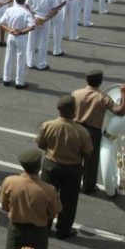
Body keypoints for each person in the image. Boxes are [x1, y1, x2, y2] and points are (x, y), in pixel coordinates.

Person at [36, 95, 93, 240]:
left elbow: (41, 144)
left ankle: (45, 228)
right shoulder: (82, 131)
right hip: (72, 169)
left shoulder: (47, 125)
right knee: (69, 201)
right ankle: (63, 230)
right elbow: (88, 153)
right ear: (74, 111)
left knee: (47, 198)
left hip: (51, 166)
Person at [72, 69, 125, 194]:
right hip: (92, 132)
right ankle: (88, 187)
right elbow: (120, 111)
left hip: (75, 129)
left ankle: (70, 183)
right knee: (91, 163)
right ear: (100, 82)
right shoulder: (103, 97)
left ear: (86, 80)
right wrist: (123, 93)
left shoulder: (76, 93)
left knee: (73, 157)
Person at [0, 148, 61, 249]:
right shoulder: (49, 190)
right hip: (38, 233)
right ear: (39, 167)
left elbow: (4, 207)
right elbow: (53, 214)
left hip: (16, 229)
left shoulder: (9, 182)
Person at [0, 0, 36, 89]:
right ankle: (19, 82)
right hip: (21, 36)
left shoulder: (9, 10)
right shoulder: (26, 12)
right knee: (20, 59)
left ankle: (6, 79)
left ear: (15, 0)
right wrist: (21, 31)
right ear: (24, 1)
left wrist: (10, 30)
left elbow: (2, 23)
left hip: (11, 35)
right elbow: (32, 26)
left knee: (8, 57)